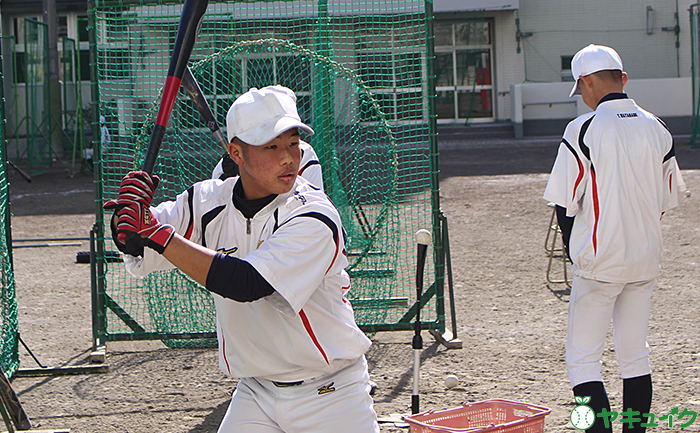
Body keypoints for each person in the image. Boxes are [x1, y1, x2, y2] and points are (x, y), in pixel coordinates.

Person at [104, 85, 379, 432]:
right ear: (235, 152)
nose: (288, 158)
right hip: (257, 391)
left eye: (293, 143)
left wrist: (159, 235)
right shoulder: (207, 201)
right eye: (271, 146)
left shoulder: (314, 215)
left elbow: (247, 282)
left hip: (331, 393)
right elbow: (138, 243)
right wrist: (126, 221)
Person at [544, 44, 684, 433]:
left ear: (586, 82)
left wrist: (578, 254)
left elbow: (563, 203)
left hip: (600, 260)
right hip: (645, 257)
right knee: (635, 355)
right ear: (623, 79)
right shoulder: (658, 127)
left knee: (583, 359)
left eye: (581, 89)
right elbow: (665, 200)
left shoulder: (582, 129)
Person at [212, 139, 323, 189]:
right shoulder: (237, 155)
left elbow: (314, 205)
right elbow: (217, 205)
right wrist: (231, 180)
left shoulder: (304, 156)